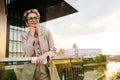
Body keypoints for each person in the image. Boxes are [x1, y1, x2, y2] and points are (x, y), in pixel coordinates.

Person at [21, 9, 56, 80]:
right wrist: (31, 36)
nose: (33, 20)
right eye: (30, 18)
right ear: (27, 23)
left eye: (35, 18)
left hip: (45, 69)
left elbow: (53, 51)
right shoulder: (24, 35)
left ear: (38, 21)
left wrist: (45, 55)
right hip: (30, 71)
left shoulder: (46, 32)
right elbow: (28, 54)